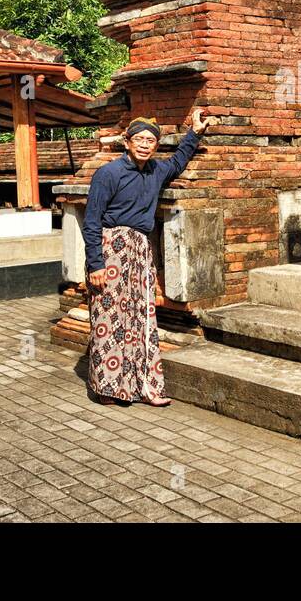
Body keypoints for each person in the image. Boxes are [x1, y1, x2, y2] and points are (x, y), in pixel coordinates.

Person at [82, 109, 212, 406]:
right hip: (111, 250)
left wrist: (194, 132)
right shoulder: (108, 174)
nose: (144, 144)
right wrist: (96, 264)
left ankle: (141, 386)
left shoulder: (156, 171)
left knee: (140, 318)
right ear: (127, 142)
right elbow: (91, 221)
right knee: (108, 318)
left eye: (150, 141)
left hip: (139, 251)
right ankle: (107, 388)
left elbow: (178, 162)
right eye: (139, 139)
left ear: (155, 146)